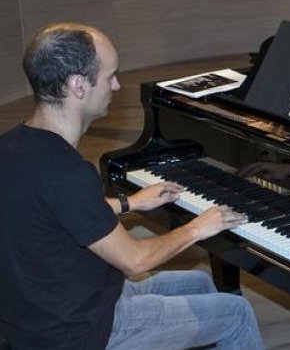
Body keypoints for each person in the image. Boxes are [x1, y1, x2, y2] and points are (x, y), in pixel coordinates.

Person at [0, 23, 264, 350]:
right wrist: (197, 228)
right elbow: (135, 261)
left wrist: (132, 203)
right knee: (236, 313)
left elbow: (55, 211)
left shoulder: (12, 147)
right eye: (110, 75)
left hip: (44, 310)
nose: (116, 84)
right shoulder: (67, 171)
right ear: (78, 85)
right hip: (83, 330)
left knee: (200, 281)